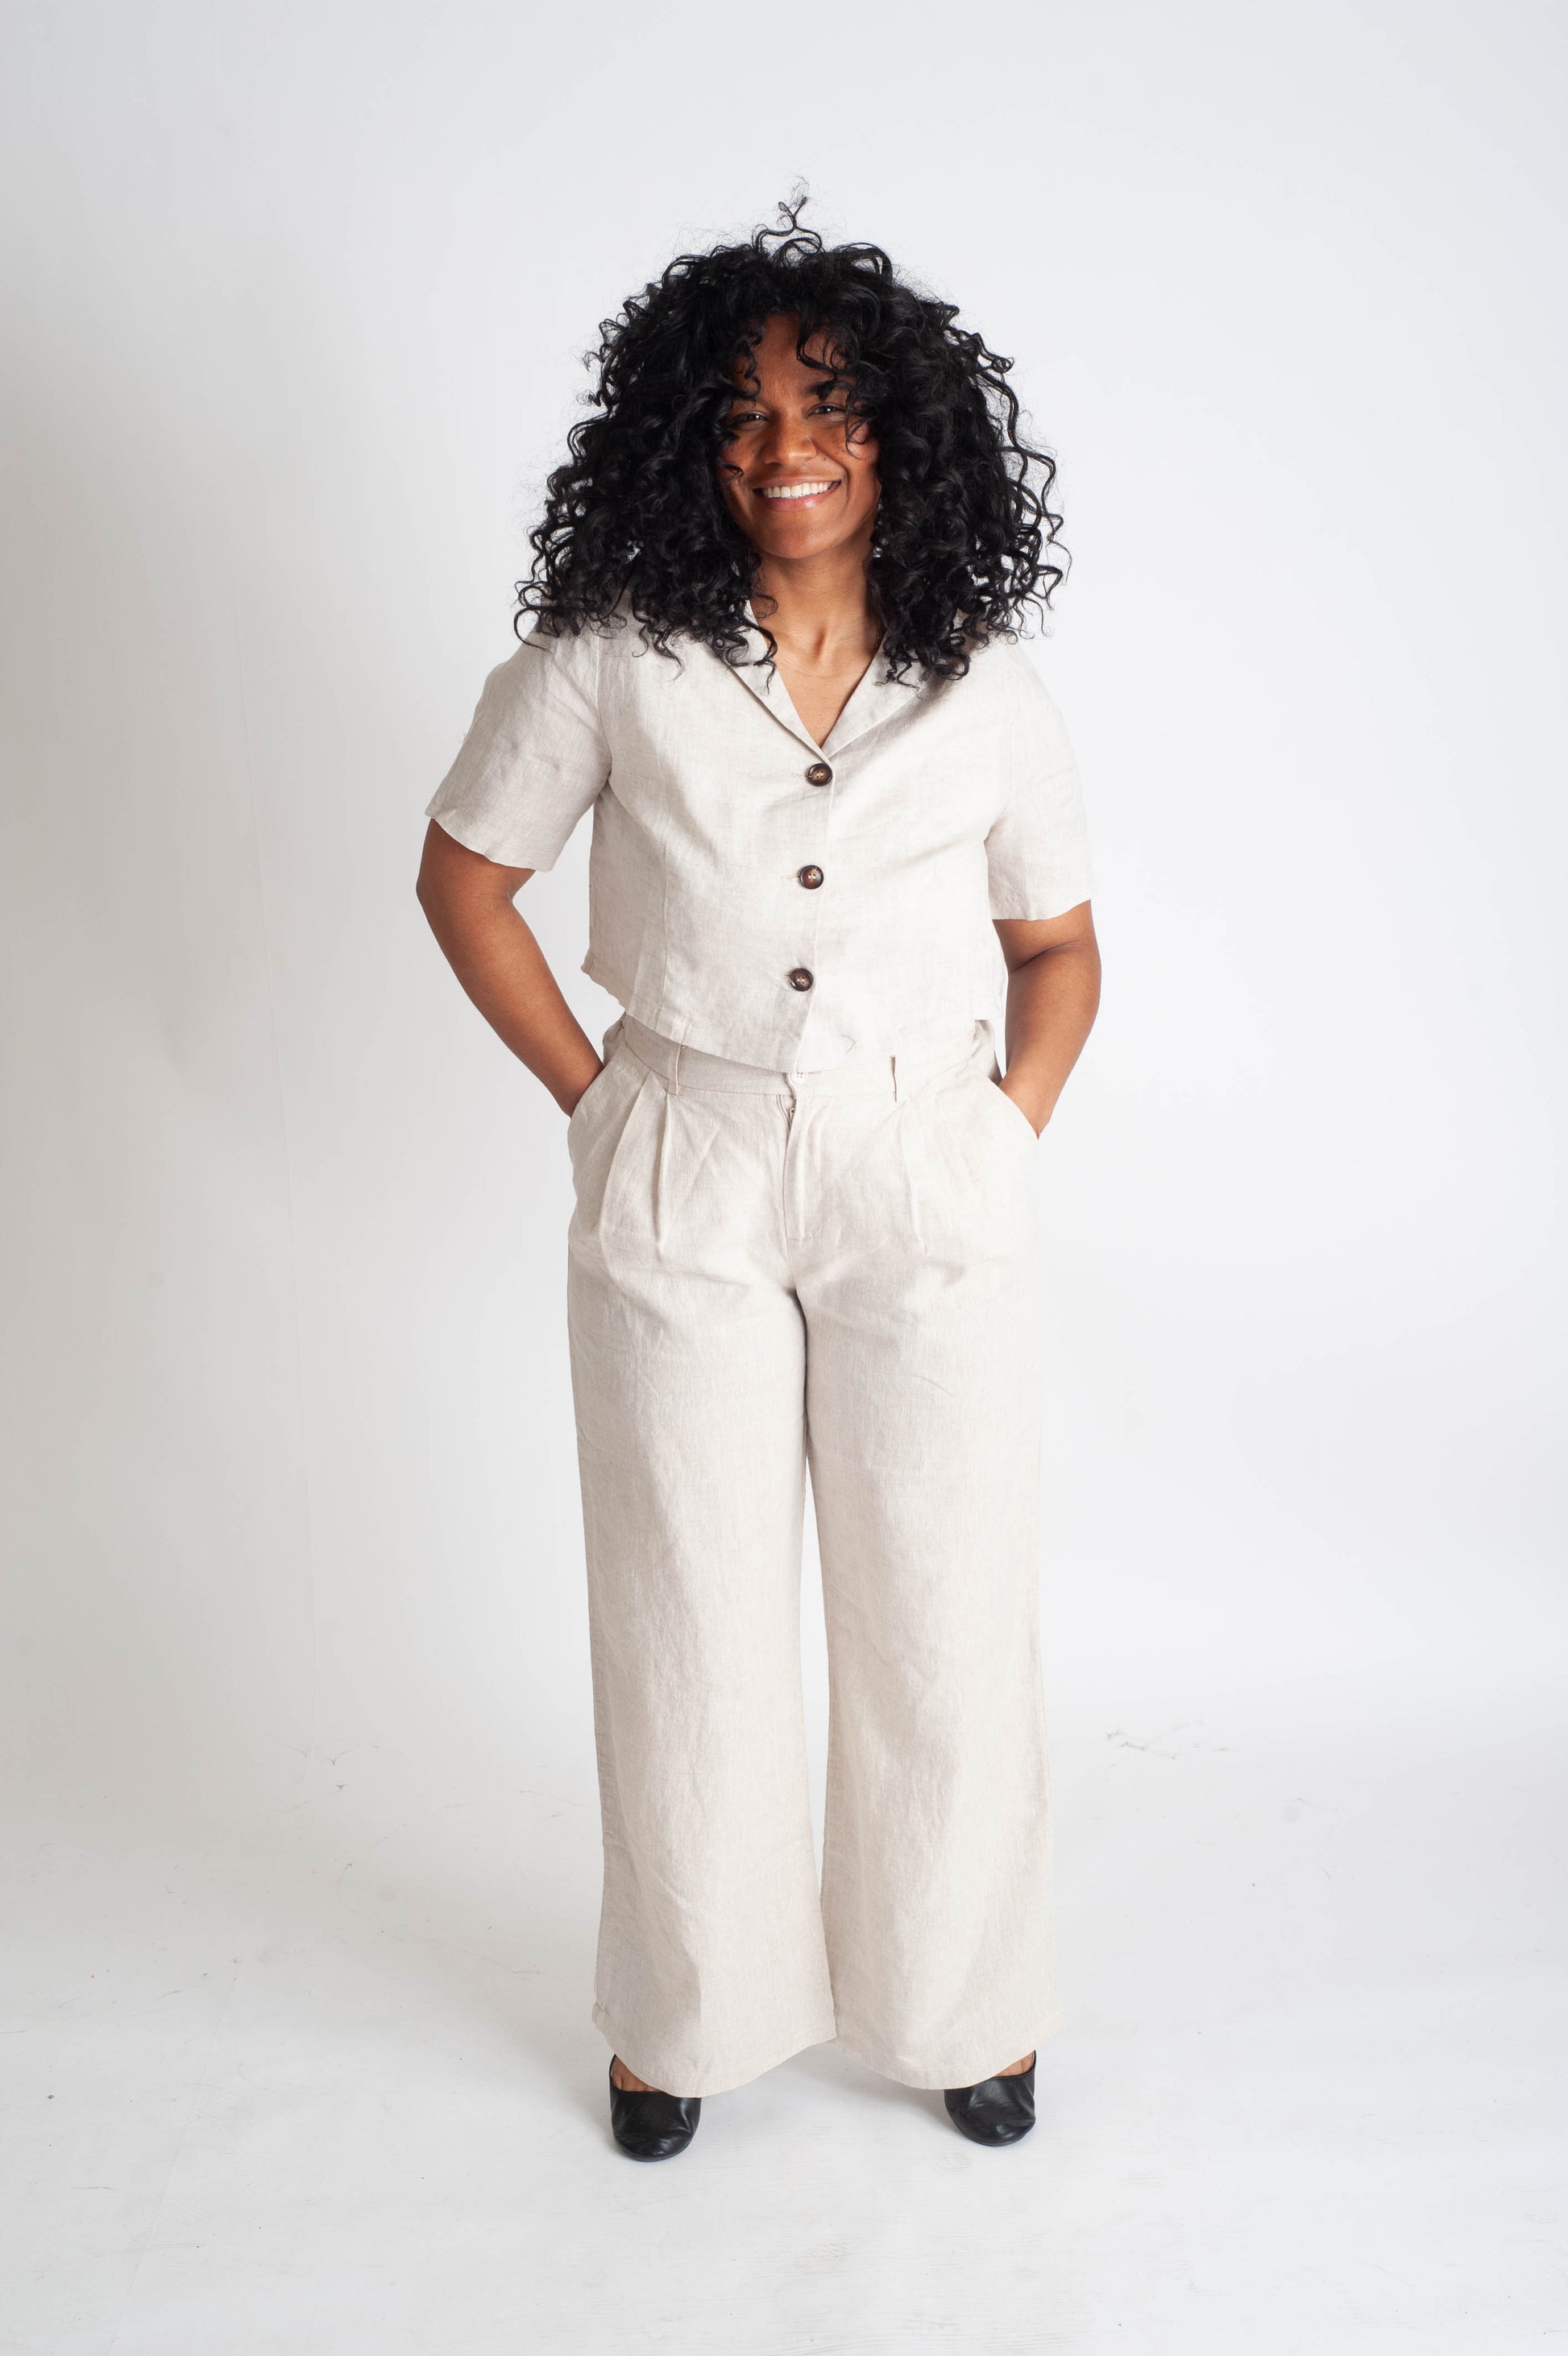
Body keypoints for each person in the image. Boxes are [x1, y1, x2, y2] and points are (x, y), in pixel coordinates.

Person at [416, 205, 1100, 2159]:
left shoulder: (981, 686)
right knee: (685, 1610)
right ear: (678, 444)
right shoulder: (609, 660)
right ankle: (683, 2018)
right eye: (735, 413)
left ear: (899, 435)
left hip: (922, 1169)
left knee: (943, 1608)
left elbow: (1061, 947)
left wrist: (990, 1131)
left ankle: (963, 2000)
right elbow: (466, 879)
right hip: (680, 1159)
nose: (780, 445)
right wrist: (595, 1099)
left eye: (823, 406)